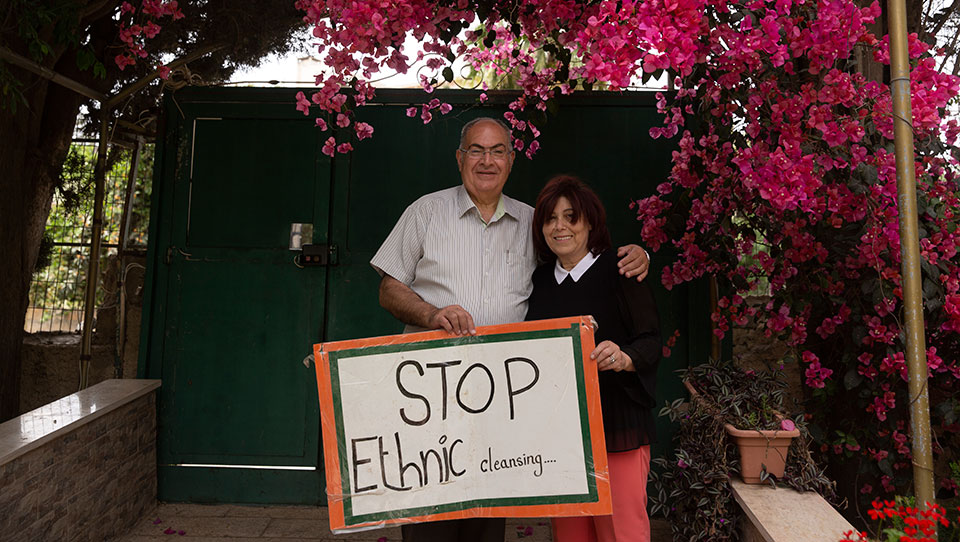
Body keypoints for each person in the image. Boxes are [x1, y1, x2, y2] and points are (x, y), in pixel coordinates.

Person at [370, 117, 650, 542]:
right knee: (429, 520)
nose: (487, 160)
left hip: (499, 401)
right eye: (477, 150)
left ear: (511, 160)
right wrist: (431, 314)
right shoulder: (425, 212)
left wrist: (635, 255)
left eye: (497, 150)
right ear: (460, 158)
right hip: (433, 395)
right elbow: (388, 288)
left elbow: (576, 263)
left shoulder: (533, 224)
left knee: (487, 517)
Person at [525, 175, 660, 542]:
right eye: (550, 219)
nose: (560, 227)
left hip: (617, 423)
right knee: (570, 534)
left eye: (571, 217)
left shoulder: (620, 271)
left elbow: (650, 341)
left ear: (590, 222)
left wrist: (624, 357)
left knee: (623, 532)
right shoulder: (537, 281)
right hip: (560, 432)